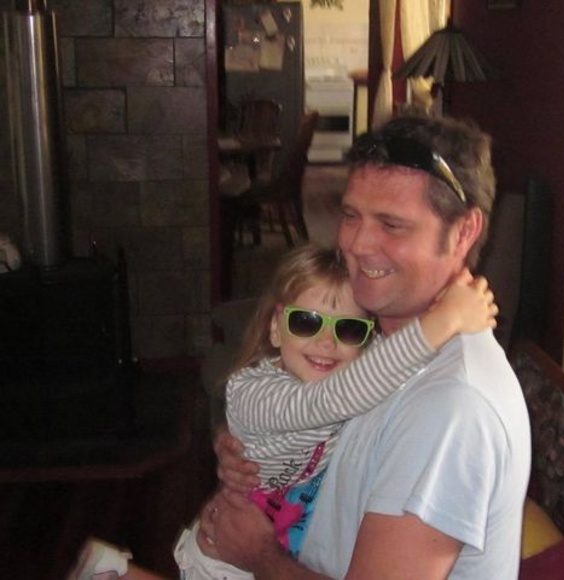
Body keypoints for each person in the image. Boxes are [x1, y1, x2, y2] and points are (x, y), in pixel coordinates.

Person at [201, 115, 532, 580]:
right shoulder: (372, 333)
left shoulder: (452, 407)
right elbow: (314, 405)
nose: (356, 244)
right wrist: (250, 447)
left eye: (392, 224)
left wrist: (259, 555)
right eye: (351, 215)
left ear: (463, 232)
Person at [68, 241, 497, 580]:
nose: (327, 342)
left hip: (284, 535)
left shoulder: (352, 372)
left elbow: (387, 362)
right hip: (225, 552)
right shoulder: (253, 392)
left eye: (349, 329)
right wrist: (443, 321)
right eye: (306, 323)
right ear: (275, 327)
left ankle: (110, 571)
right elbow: (333, 400)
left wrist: (444, 292)